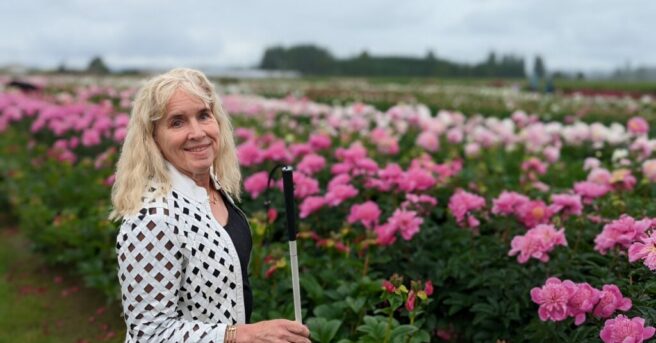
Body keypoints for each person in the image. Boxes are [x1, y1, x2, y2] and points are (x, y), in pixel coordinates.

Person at [110, 68, 310, 343]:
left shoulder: (214, 190)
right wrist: (238, 335)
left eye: (204, 115)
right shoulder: (153, 220)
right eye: (177, 122)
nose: (197, 132)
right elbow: (150, 334)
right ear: (153, 138)